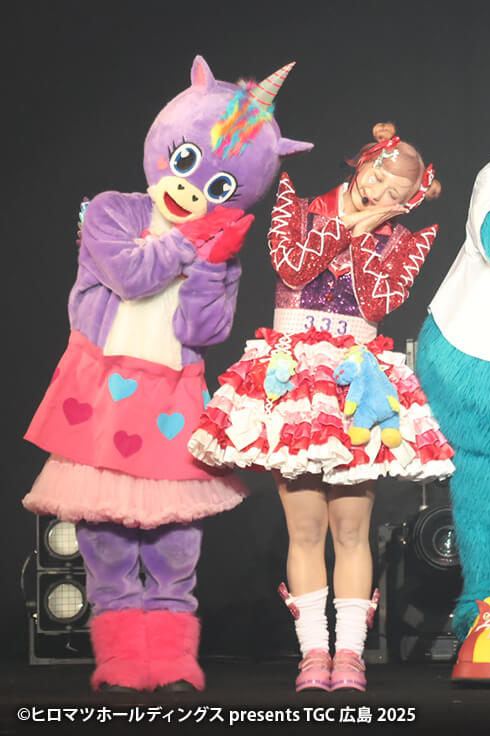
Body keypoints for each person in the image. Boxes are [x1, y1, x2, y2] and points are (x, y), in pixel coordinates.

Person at [22, 56, 312, 692]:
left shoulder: (221, 255)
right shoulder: (113, 211)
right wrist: (190, 241)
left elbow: (203, 331)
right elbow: (129, 276)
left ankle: (175, 659)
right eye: (186, 162)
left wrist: (212, 266)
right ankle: (121, 661)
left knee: (175, 541)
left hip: (172, 395)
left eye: (218, 186)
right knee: (104, 535)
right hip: (101, 390)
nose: (192, 189)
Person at [188, 124, 453, 691]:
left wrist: (371, 230)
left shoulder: (408, 240)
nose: (378, 192)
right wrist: (348, 225)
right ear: (364, 160)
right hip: (295, 380)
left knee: (352, 529)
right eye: (377, 176)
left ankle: (350, 655)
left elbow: (379, 301)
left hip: (356, 382)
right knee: (305, 527)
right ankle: (313, 654)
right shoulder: (296, 205)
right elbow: (293, 267)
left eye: (395, 193)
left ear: (409, 201)